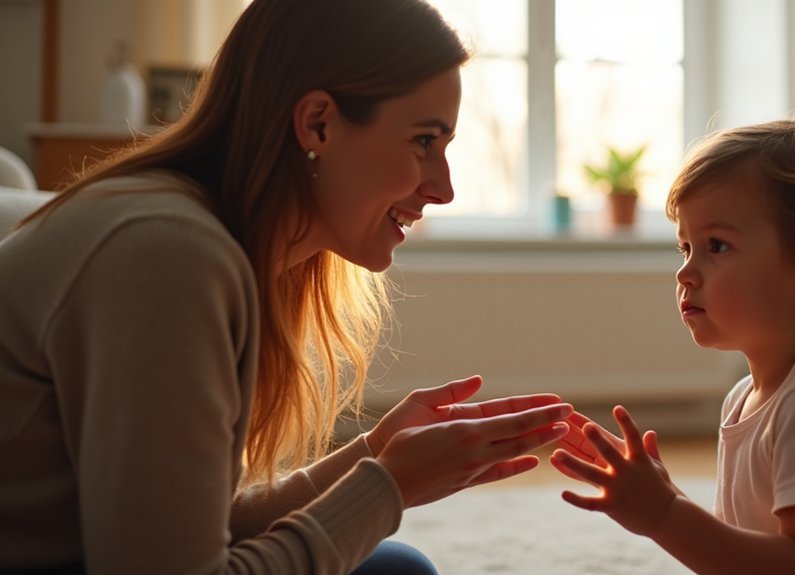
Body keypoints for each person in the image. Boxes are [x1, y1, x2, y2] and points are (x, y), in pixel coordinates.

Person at [0, 0, 574, 573]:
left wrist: (377, 455)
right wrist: (390, 485)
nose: (444, 189)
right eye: (424, 141)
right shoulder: (168, 255)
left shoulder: (197, 238)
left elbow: (192, 525)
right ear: (317, 123)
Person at [551, 115, 795, 574]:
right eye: (686, 248)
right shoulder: (745, 398)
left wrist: (664, 514)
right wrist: (660, 498)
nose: (685, 273)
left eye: (716, 246)